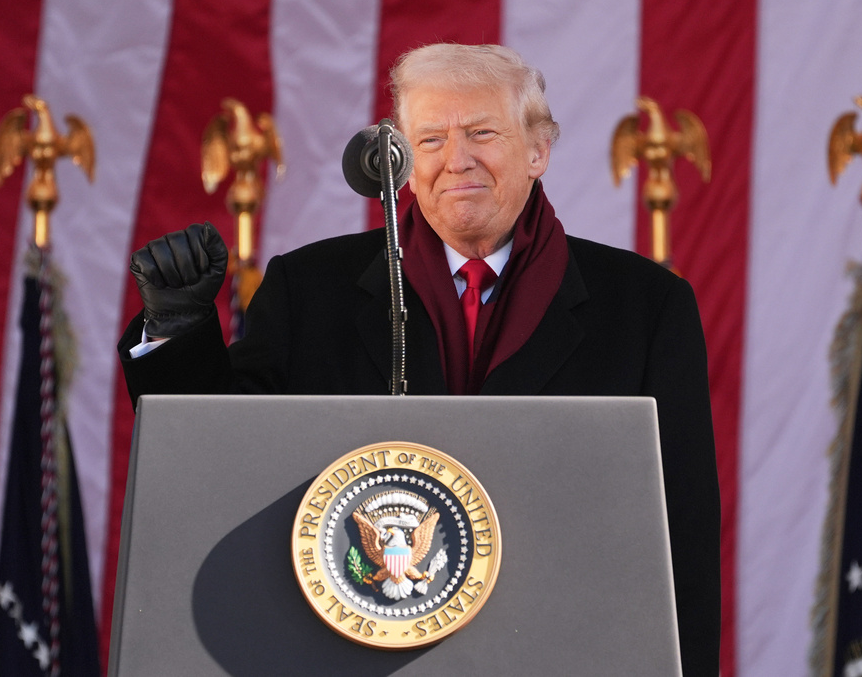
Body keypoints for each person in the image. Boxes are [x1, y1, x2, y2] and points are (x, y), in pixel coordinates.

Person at [118, 43, 720, 675]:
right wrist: (178, 332)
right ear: (399, 159)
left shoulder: (647, 308)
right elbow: (224, 466)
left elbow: (680, 538)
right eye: (430, 139)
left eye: (482, 133)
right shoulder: (311, 289)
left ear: (539, 149)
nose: (456, 161)